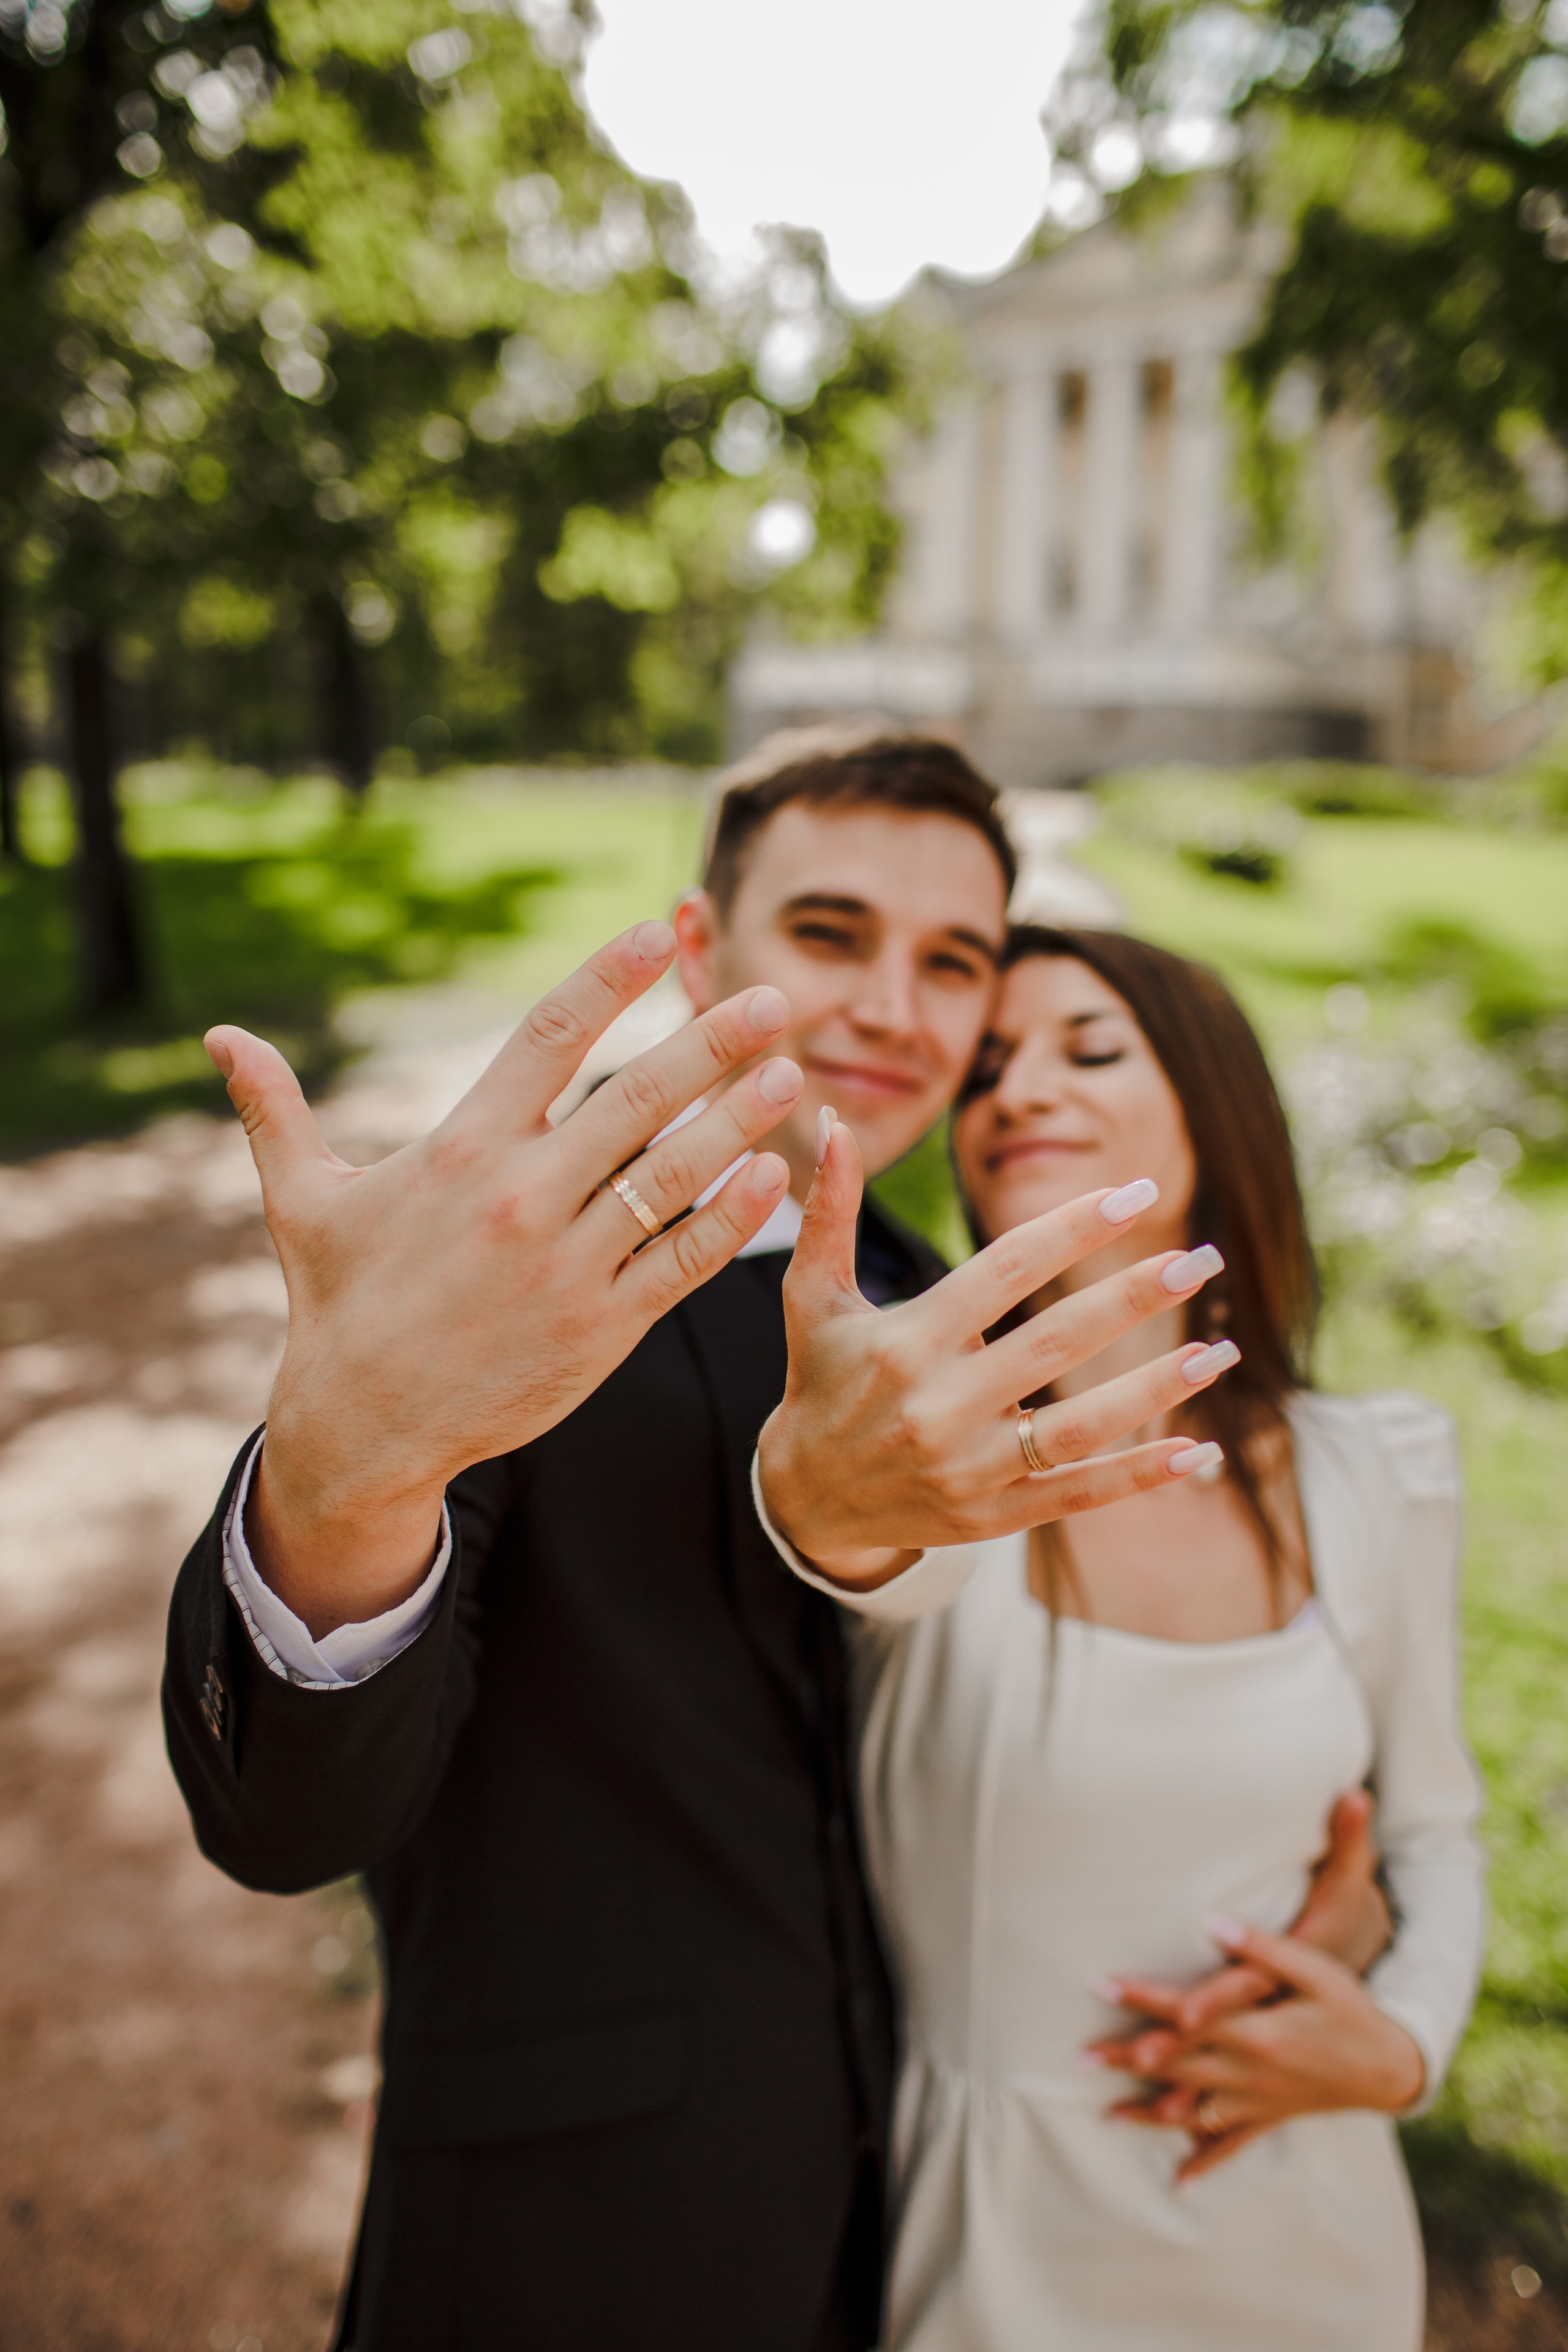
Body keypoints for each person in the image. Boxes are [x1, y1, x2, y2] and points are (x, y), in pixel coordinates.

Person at [165, 734, 1260, 2352]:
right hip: (568, 2245)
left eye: (950, 960)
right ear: (701, 944)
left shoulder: (933, 1292)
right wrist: (346, 1474)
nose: (897, 1005)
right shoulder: (505, 1258)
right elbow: (286, 1813)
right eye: (831, 934)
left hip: (899, 2233)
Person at [756, 924, 1486, 2352]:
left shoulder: (1375, 1474)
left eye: (1089, 1049)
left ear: (1213, 1121)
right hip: (1000, 2262)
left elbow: (1433, 1834)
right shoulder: (934, 1477)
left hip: (1308, 2243)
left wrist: (1398, 2046)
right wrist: (818, 1487)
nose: (1020, 1089)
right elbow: (850, 1546)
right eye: (990, 1071)